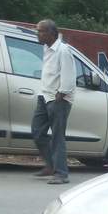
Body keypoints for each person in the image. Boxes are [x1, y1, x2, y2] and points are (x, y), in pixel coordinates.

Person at [31, 19, 75, 185]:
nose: (38, 34)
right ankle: (51, 165)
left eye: (41, 31)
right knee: (37, 132)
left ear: (51, 34)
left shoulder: (63, 51)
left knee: (57, 137)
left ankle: (61, 174)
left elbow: (69, 77)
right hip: (45, 96)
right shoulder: (47, 48)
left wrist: (61, 94)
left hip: (58, 99)